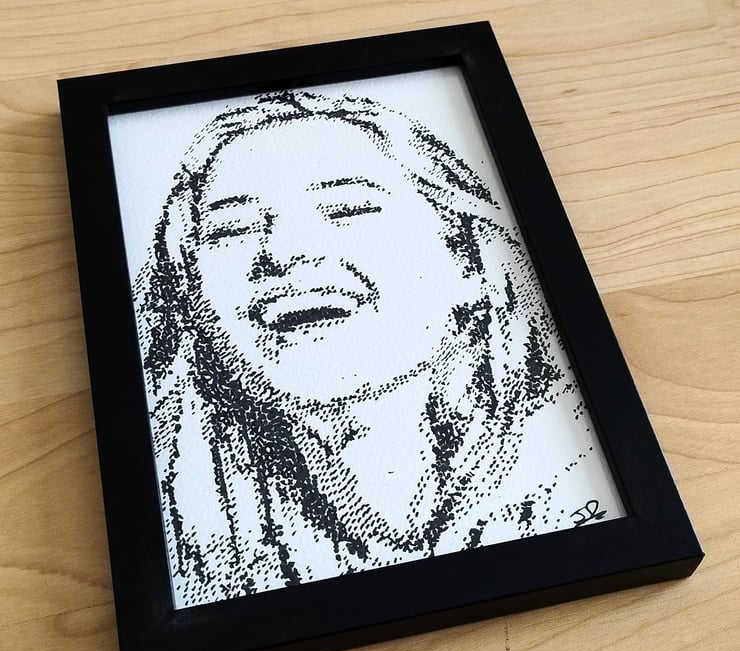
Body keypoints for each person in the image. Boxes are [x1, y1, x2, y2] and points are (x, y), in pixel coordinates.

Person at [133, 88, 617, 608]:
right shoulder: (170, 493)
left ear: (469, 259)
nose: (284, 252)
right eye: (232, 228)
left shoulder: (582, 454)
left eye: (347, 209)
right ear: (189, 292)